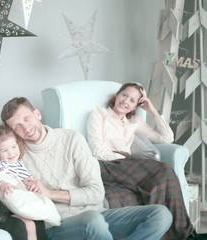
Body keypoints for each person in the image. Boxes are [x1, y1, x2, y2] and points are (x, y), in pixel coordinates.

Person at [0, 96, 173, 240]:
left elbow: (97, 192)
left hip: (99, 215)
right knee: (93, 221)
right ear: (13, 132)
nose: (26, 128)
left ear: (37, 114)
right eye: (17, 126)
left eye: (26, 118)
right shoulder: (15, 156)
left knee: (161, 215)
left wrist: (50, 193)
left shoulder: (71, 138)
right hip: (60, 226)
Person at [86, 82, 206, 240]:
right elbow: (96, 149)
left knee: (161, 180)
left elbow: (167, 138)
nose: (125, 101)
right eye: (124, 95)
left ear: (136, 105)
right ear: (117, 95)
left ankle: (169, 234)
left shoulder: (133, 122)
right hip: (105, 164)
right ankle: (184, 234)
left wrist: (152, 110)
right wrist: (125, 158)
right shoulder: (99, 114)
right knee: (163, 169)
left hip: (127, 165)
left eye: (132, 100)